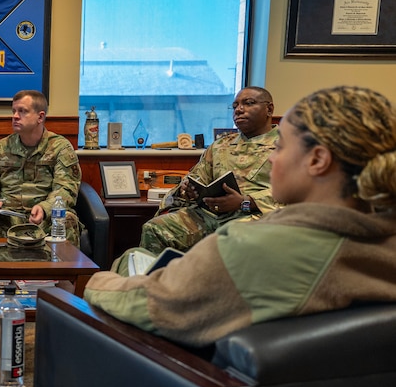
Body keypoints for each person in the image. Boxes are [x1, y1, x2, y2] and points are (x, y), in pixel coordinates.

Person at [83, 85, 396, 346]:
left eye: (282, 147)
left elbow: (151, 304)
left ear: (317, 159)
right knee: (149, 242)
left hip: (206, 386)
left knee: (129, 264)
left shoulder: (253, 247)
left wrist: (94, 283)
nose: (272, 157)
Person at [139, 86, 280, 254]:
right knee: (155, 229)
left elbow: (298, 193)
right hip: (209, 215)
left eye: (248, 103)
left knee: (235, 242)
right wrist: (188, 190)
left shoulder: (288, 146)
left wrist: (245, 201)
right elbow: (197, 178)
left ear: (269, 109)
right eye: (235, 106)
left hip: (253, 218)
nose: (239, 110)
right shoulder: (221, 145)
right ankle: (155, 280)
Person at [0, 89, 82, 242]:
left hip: (45, 217)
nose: (15, 116)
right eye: (14, 111)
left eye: (22, 111)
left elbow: (66, 189)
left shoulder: (60, 148)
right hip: (8, 217)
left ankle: (63, 266)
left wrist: (45, 208)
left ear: (40, 117)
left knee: (67, 219)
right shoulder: (0, 149)